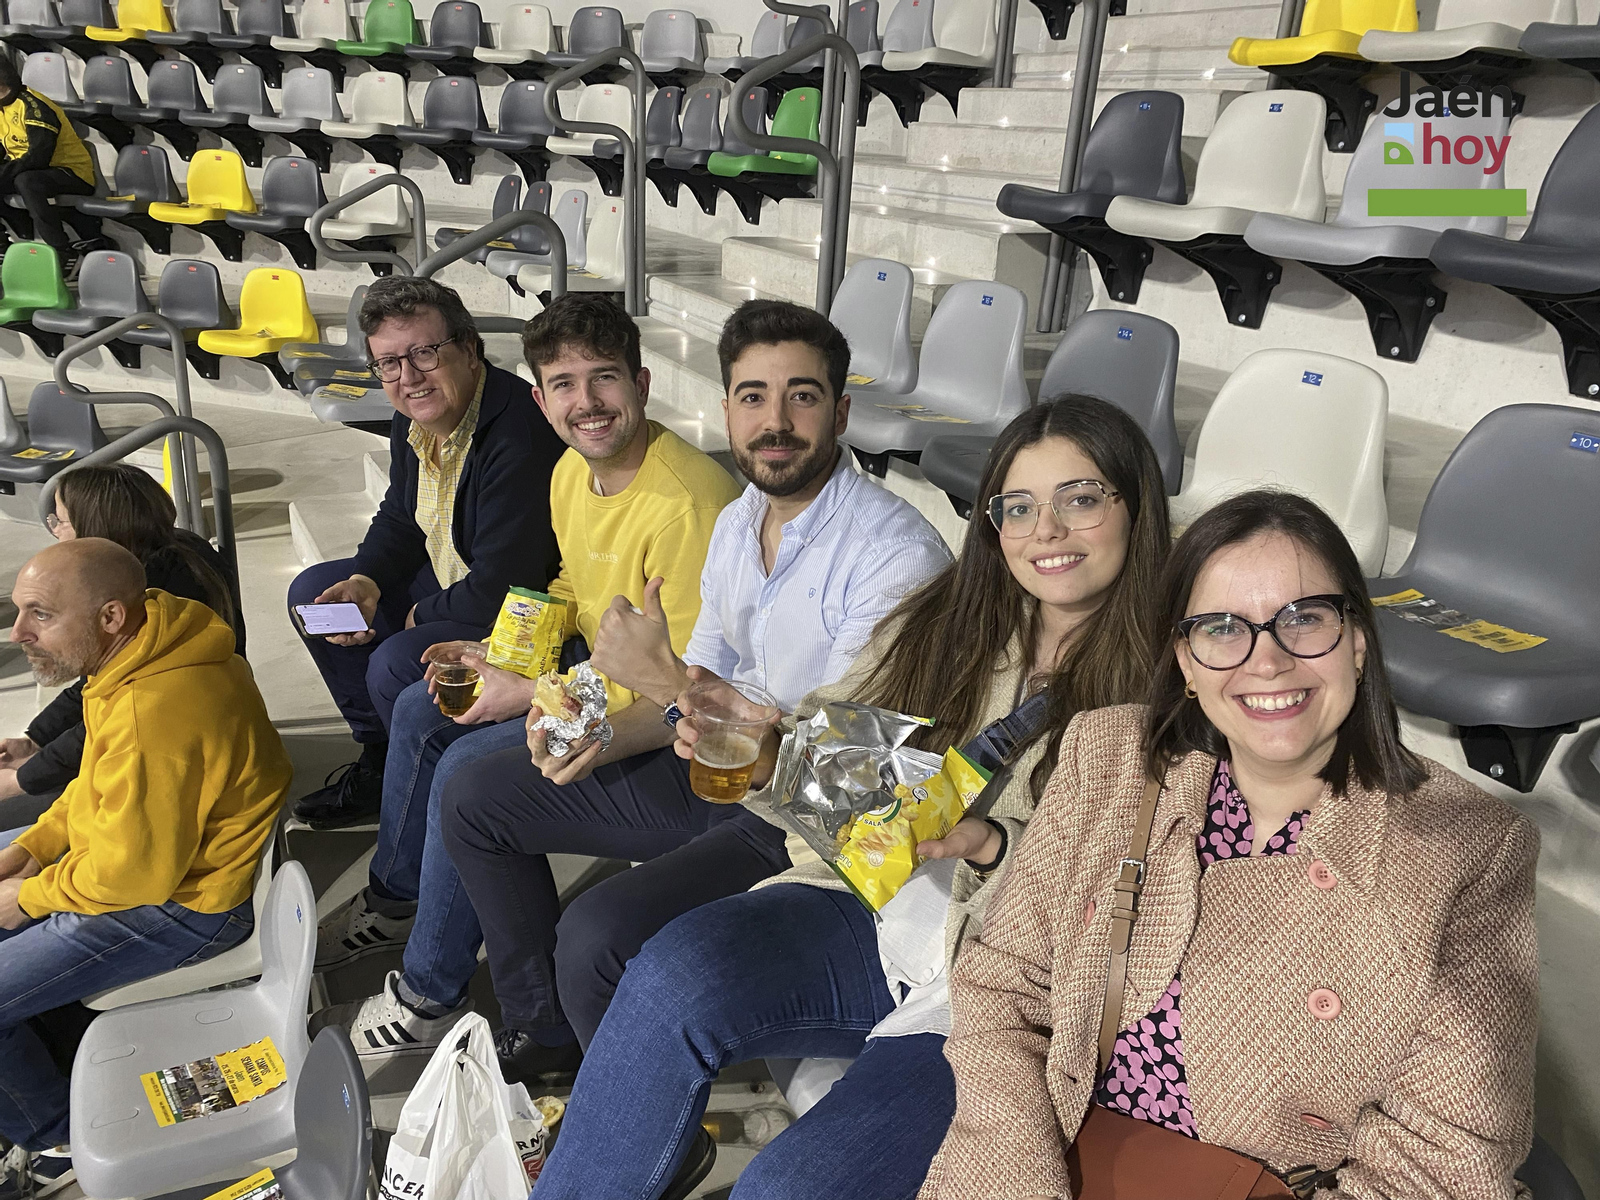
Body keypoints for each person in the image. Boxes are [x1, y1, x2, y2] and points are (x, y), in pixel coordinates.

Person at [526, 393, 1173, 1200]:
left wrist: (994, 845)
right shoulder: (949, 620)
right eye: (1019, 506)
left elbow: (1136, 902)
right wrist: (767, 755)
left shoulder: (1173, 685)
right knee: (669, 975)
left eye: (1080, 499)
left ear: (1136, 507)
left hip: (999, 994)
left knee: (789, 1188)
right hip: (872, 907)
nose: (1046, 531)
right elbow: (843, 777)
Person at [921, 491, 1539, 1200]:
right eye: (1222, 628)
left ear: (1358, 642)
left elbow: (1446, 1164)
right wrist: (1015, 1182)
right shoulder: (1109, 757)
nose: (1266, 661)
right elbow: (1001, 990)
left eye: (1304, 619)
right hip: (1050, 1156)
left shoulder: (1468, 848)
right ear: (1185, 660)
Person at [427, 299, 955, 1092]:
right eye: (752, 397)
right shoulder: (742, 522)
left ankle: (655, 1132)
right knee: (475, 792)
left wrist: (665, 682)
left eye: (802, 396)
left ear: (840, 411)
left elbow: (853, 782)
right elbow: (698, 684)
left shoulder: (896, 556)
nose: (775, 421)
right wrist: (598, 732)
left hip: (805, 827)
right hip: (716, 771)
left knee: (597, 934)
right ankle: (547, 1033)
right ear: (727, 410)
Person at [310, 293, 747, 1075]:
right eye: (566, 386)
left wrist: (538, 696)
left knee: (469, 780)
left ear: (641, 383)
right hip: (619, 695)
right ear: (541, 399)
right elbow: (572, 594)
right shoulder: (575, 473)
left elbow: (682, 689)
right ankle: (418, 927)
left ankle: (448, 995)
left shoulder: (686, 507)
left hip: (694, 752)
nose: (587, 404)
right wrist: (507, 653)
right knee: (426, 706)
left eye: (604, 380)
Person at [0, 540, 291, 1197]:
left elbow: (136, 877)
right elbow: (94, 785)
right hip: (149, 867)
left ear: (109, 616)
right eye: (19, 612)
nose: (18, 633)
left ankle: (55, 1139)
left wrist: (30, 895)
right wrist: (34, 847)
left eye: (39, 615)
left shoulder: (152, 709)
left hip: (182, 908)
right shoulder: (151, 638)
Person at [287, 276, 565, 829]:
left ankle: (428, 798)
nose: (408, 377)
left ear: (469, 350)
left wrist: (418, 614)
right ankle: (380, 758)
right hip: (454, 576)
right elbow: (401, 513)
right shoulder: (414, 414)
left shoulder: (518, 435)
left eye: (424, 353)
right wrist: (366, 579)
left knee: (396, 661)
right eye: (388, 362)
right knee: (312, 593)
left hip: (520, 607)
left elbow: (508, 584)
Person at [0, 464, 244, 824]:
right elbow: (97, 689)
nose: (54, 532)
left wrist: (23, 779)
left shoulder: (148, 599)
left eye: (61, 522)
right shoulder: (181, 549)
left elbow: (121, 721)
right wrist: (37, 740)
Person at [0, 56, 107, 277]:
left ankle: (63, 251)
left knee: (26, 181)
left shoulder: (34, 105)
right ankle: (2, 247)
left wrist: (4, 175)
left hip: (71, 173)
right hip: (29, 170)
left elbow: (38, 158)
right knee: (22, 178)